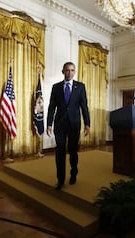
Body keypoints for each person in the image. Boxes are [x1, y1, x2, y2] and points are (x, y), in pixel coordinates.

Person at [46, 62, 90, 190]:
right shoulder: (56, 87)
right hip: (59, 124)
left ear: (74, 72)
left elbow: (84, 106)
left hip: (74, 124)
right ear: (63, 71)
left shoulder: (80, 87)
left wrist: (87, 123)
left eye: (72, 70)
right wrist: (49, 124)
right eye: (67, 70)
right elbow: (51, 107)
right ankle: (60, 179)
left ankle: (73, 173)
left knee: (72, 150)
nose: (69, 73)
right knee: (60, 151)